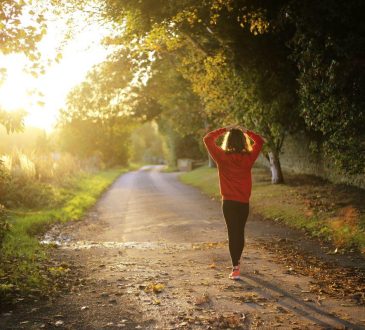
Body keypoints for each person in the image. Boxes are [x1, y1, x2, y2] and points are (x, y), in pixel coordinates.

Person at [203, 125, 264, 280]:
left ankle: (235, 267)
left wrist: (224, 129)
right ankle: (237, 261)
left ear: (228, 140)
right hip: (243, 202)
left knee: (232, 233)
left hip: (229, 203)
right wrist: (247, 131)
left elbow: (207, 139)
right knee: (240, 232)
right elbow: (260, 141)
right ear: (243, 142)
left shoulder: (221, 156)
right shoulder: (248, 157)